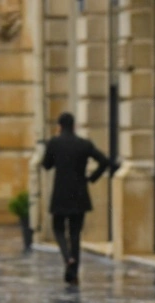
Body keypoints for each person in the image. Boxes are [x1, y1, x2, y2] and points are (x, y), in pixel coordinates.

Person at [41, 111, 110, 284]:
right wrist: (91, 178)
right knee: (75, 233)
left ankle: (67, 258)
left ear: (59, 126)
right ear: (74, 126)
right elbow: (104, 161)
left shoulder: (55, 143)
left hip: (60, 193)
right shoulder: (84, 144)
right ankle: (73, 272)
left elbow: (46, 165)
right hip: (79, 193)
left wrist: (52, 146)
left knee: (58, 228)